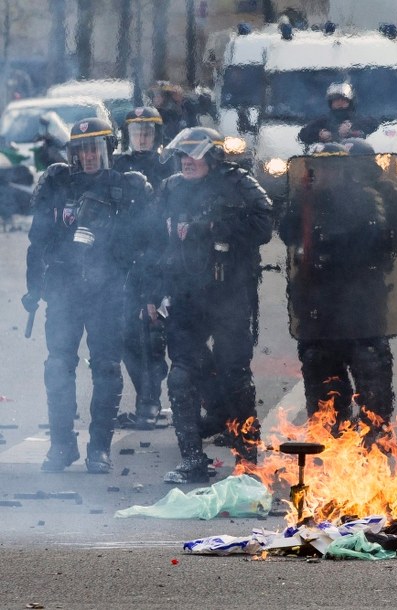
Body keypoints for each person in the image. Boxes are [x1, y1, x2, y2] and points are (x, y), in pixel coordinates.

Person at [23, 117, 153, 473]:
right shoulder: (57, 183)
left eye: (95, 149)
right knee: (57, 367)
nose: (89, 156)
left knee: (107, 369)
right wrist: (34, 287)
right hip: (64, 290)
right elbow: (38, 241)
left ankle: (99, 448)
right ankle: (62, 446)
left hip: (107, 293)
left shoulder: (125, 188)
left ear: (108, 150)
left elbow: (146, 243)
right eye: (81, 150)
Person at [152, 127, 273, 483]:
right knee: (181, 376)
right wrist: (151, 294)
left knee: (235, 375)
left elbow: (265, 223)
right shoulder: (171, 189)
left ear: (213, 156)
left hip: (229, 294)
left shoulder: (239, 183)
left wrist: (214, 226)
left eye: (195, 155)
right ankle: (192, 459)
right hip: (186, 296)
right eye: (183, 156)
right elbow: (156, 246)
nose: (187, 162)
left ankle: (248, 460)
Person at [278, 139, 397, 443]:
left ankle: (374, 453)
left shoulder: (366, 199)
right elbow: (286, 232)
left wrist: (337, 243)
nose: (326, 173)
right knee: (324, 396)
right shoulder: (305, 201)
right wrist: (303, 200)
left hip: (361, 309)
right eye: (320, 168)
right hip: (317, 310)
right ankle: (332, 456)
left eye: (332, 167)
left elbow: (384, 245)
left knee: (373, 391)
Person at [112, 107, 175, 430]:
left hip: (161, 257)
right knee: (126, 337)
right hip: (125, 261)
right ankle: (145, 398)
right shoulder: (118, 167)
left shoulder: (169, 167)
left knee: (154, 336)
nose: (142, 137)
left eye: (148, 132)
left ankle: (152, 402)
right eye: (136, 132)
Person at [297, 83, 379, 147]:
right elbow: (303, 134)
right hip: (327, 160)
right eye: (336, 100)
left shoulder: (356, 118)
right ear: (331, 103)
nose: (340, 103)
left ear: (349, 102)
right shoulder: (324, 119)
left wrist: (351, 126)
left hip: (357, 159)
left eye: (343, 100)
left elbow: (374, 124)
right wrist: (319, 133)